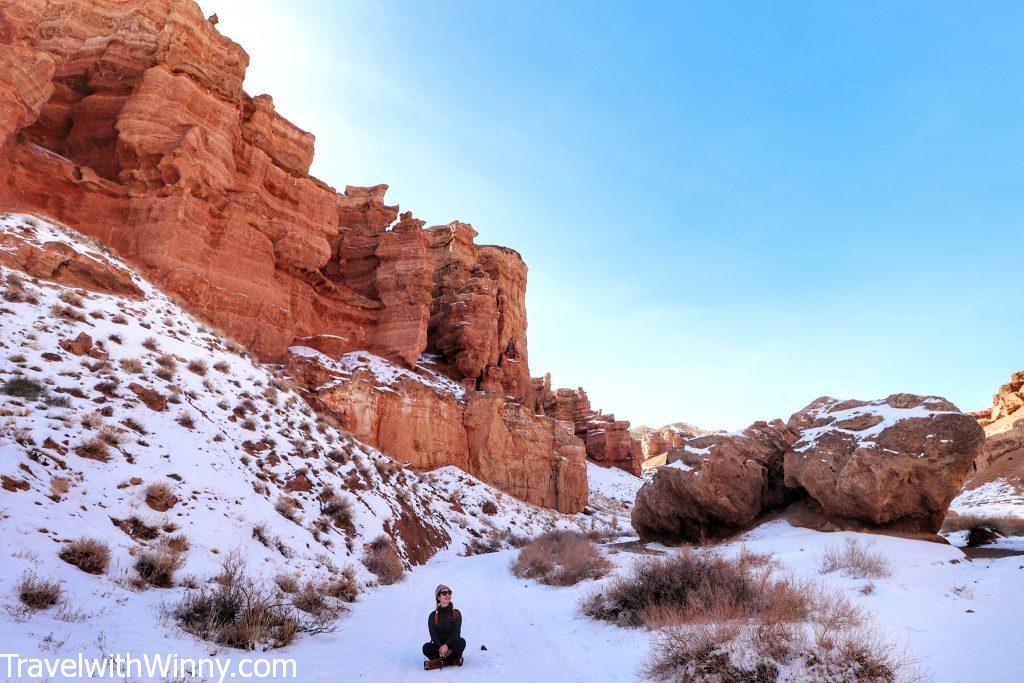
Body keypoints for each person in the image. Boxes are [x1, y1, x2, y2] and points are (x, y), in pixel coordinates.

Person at [422, 584, 466, 670]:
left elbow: (456, 633)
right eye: (444, 593)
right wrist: (441, 647)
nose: (448, 595)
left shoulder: (456, 613)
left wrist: (446, 645)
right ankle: (453, 661)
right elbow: (433, 635)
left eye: (449, 592)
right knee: (426, 647)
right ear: (438, 597)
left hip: (452, 647)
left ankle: (438, 662)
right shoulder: (432, 615)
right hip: (439, 648)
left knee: (461, 642)